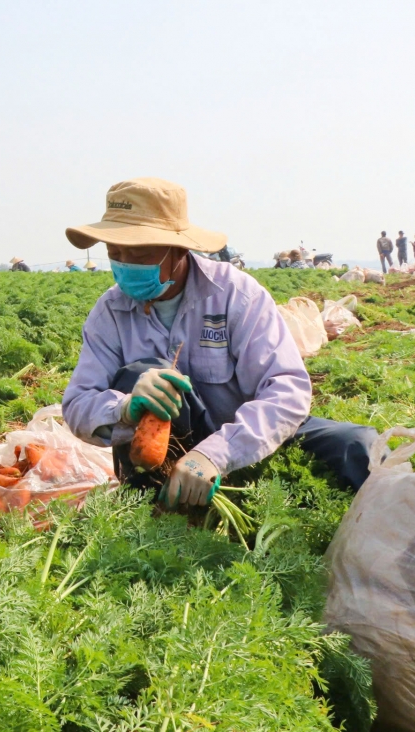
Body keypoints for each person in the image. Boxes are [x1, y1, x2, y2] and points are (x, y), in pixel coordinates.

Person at [61, 178, 377, 507]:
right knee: (143, 374)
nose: (124, 262)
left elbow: (287, 389)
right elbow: (78, 404)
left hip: (246, 440)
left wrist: (215, 455)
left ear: (180, 249)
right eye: (115, 252)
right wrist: (124, 408)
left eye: (138, 253)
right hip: (165, 455)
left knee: (356, 446)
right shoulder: (110, 312)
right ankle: (156, 504)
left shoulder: (236, 294)